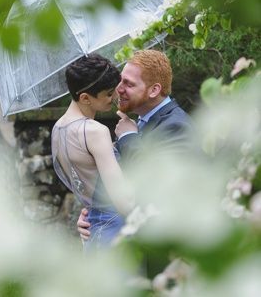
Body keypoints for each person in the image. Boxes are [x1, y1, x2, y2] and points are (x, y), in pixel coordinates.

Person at [77, 49, 193, 241]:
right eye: (120, 81)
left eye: (128, 84)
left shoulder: (177, 126)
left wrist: (129, 138)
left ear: (154, 90)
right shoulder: (137, 123)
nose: (118, 89)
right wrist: (96, 215)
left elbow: (159, 189)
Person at [52, 54, 134, 250]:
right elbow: (122, 199)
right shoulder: (95, 132)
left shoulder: (58, 128)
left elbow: (84, 182)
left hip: (93, 228)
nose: (114, 97)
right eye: (107, 94)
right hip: (117, 231)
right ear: (85, 98)